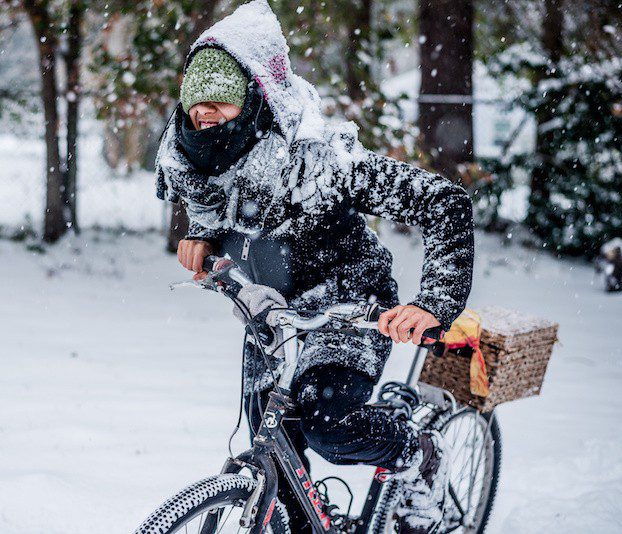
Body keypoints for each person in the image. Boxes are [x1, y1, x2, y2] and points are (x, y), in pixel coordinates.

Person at [155, 2, 474, 532]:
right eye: (196, 101)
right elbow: (221, 199)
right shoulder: (199, 155)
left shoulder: (323, 163)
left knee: (326, 425)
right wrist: (202, 231)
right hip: (274, 316)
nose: (205, 113)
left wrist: (431, 303)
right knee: (279, 453)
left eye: (221, 99)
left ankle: (418, 452)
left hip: (350, 307)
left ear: (254, 100)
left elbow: (444, 204)